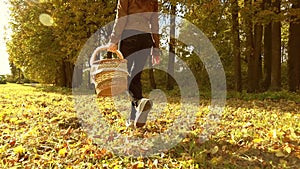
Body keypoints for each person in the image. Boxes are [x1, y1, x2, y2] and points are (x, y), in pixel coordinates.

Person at [107, 0, 160, 128]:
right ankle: (133, 118)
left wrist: (113, 40)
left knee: (125, 76)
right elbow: (155, 23)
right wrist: (156, 48)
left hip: (129, 36)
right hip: (146, 39)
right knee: (136, 76)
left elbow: (121, 17)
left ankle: (138, 102)